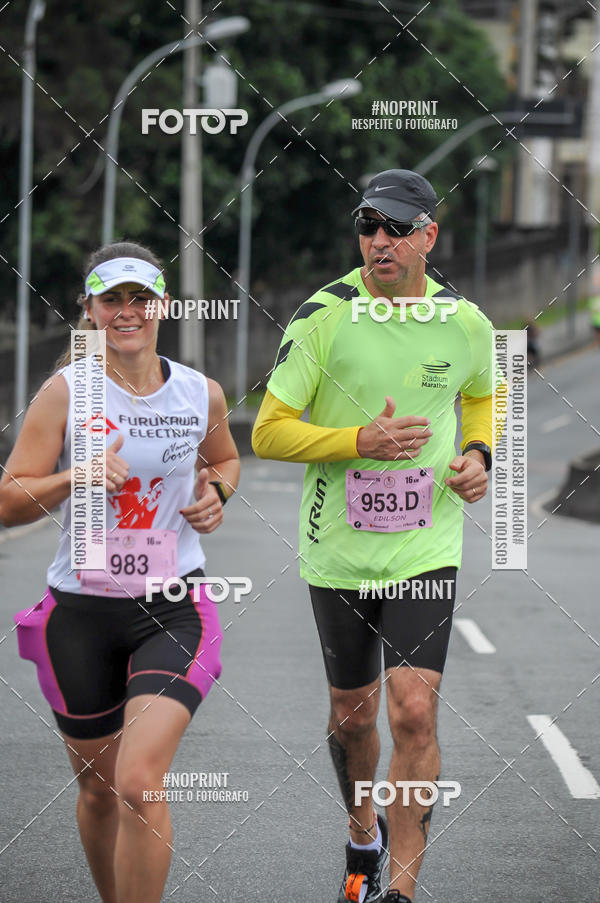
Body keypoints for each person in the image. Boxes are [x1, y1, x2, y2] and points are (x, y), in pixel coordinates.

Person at [252, 169, 494, 903]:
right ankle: (364, 834)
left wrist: (480, 454)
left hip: (426, 547)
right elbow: (268, 432)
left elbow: (483, 392)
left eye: (395, 227)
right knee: (352, 717)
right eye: (367, 225)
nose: (379, 240)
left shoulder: (466, 323)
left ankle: (402, 891)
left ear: (428, 235)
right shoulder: (323, 317)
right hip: (339, 551)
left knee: (413, 710)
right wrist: (359, 439)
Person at [0, 241, 240, 903]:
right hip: (79, 614)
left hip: (173, 607)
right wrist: (75, 475)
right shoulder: (65, 394)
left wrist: (217, 494)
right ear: (90, 308)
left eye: (141, 297)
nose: (127, 311)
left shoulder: (200, 392)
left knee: (138, 783)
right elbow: (9, 501)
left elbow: (224, 459)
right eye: (113, 299)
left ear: (163, 305)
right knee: (99, 792)